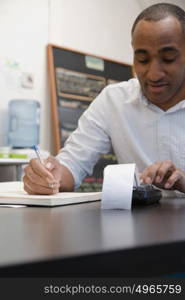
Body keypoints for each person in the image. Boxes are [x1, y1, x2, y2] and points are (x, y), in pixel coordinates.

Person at [23, 3, 185, 196]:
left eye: (168, 59)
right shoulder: (113, 100)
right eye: (142, 60)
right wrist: (49, 176)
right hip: (135, 224)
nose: (154, 74)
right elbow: (72, 164)